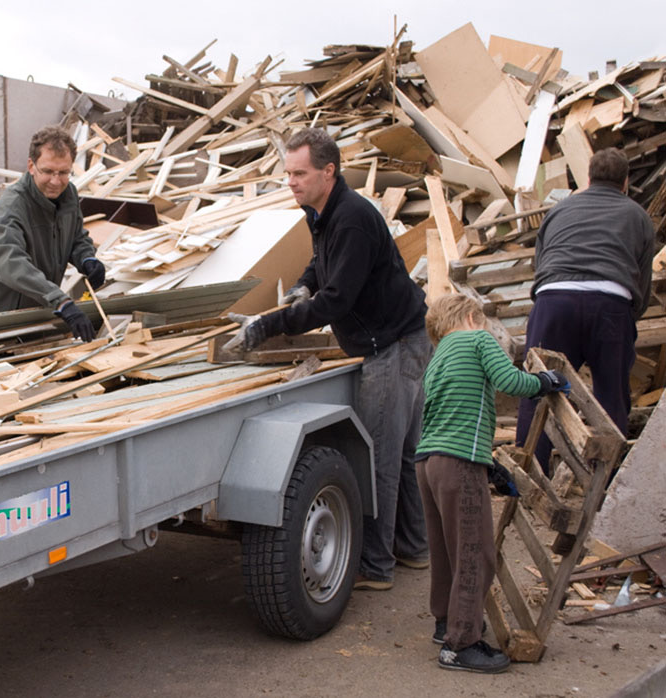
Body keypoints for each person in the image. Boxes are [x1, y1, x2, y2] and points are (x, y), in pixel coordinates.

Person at [224, 127, 431, 590]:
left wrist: (271, 324)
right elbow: (322, 265)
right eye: (288, 173)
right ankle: (414, 548)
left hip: (393, 346)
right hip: (400, 336)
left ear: (328, 172)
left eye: (300, 173)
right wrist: (302, 285)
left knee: (380, 456)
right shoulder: (321, 210)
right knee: (401, 453)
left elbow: (336, 300)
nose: (291, 181)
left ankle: (376, 567)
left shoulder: (353, 218)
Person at [415, 294, 568, 674]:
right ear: (471, 316)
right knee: (473, 552)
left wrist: (488, 468)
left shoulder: (436, 359)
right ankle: (461, 643)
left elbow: (446, 415)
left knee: (445, 551)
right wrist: (544, 381)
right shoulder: (478, 339)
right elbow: (509, 381)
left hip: (428, 462)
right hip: (457, 464)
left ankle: (444, 623)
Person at [515, 148, 655, 474]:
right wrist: (626, 318)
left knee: (539, 388)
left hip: (555, 302)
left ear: (588, 179)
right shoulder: (638, 216)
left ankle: (532, 477)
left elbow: (541, 264)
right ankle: (602, 480)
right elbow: (642, 280)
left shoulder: (559, 210)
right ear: (626, 183)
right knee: (610, 397)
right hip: (611, 303)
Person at [0, 126, 106, 342]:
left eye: (63, 173)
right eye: (48, 171)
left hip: (40, 313)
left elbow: (76, 237)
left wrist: (87, 258)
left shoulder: (68, 193)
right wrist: (60, 300)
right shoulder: (12, 205)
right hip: (0, 321)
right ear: (31, 166)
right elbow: (11, 263)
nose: (56, 181)